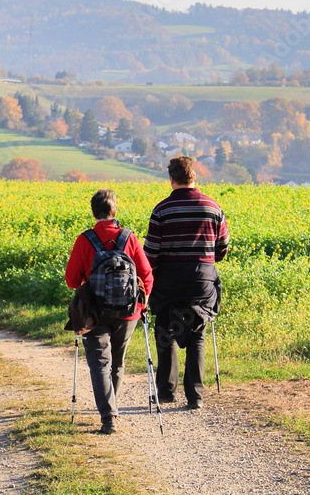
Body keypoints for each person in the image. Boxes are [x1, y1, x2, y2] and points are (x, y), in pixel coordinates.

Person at [65, 188, 154, 434]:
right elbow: (146, 274)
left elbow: (72, 280)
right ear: (115, 211)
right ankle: (112, 408)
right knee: (117, 361)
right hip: (128, 312)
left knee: (99, 362)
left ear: (93, 212)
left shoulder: (85, 239)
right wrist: (142, 303)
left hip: (94, 312)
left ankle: (109, 417)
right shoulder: (130, 238)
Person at [144, 156, 229, 410]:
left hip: (169, 282)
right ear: (195, 176)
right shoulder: (213, 208)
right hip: (202, 281)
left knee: (166, 333)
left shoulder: (161, 210)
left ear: (171, 179)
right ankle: (195, 396)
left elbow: (151, 254)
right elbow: (222, 249)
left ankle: (166, 392)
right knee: (197, 335)